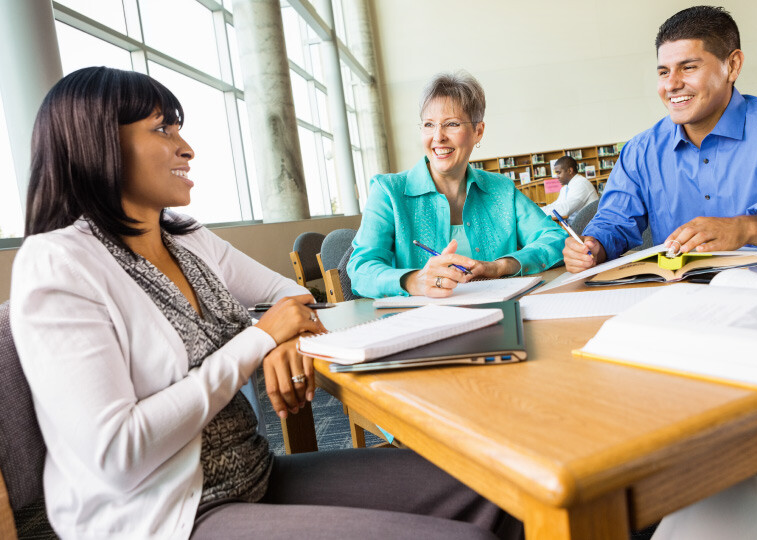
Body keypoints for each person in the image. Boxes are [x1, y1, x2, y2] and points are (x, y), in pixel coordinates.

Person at [9, 67, 521, 540]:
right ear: (98, 144)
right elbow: (117, 454)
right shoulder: (58, 263)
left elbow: (291, 295)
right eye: (162, 130)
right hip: (166, 519)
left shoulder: (186, 238)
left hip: (255, 475)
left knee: (500, 493)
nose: (186, 149)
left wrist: (285, 336)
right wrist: (259, 340)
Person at [563, 5, 757, 274]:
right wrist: (592, 247)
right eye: (663, 72)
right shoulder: (641, 151)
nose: (671, 85)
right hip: (677, 298)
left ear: (733, 66)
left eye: (688, 67)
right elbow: (613, 222)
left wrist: (747, 228)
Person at [347, 72, 567, 299]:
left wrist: (500, 267)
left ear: (478, 131)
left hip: (500, 316)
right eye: (429, 124)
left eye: (451, 124)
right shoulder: (388, 192)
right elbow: (361, 269)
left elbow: (556, 239)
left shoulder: (501, 189)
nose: (438, 136)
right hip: (422, 325)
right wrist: (413, 281)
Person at [541, 156, 599, 222]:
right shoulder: (565, 188)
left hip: (585, 227)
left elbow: (564, 210)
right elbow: (556, 205)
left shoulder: (581, 184)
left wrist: (540, 212)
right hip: (575, 224)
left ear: (570, 171)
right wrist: (538, 210)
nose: (557, 177)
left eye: (559, 173)